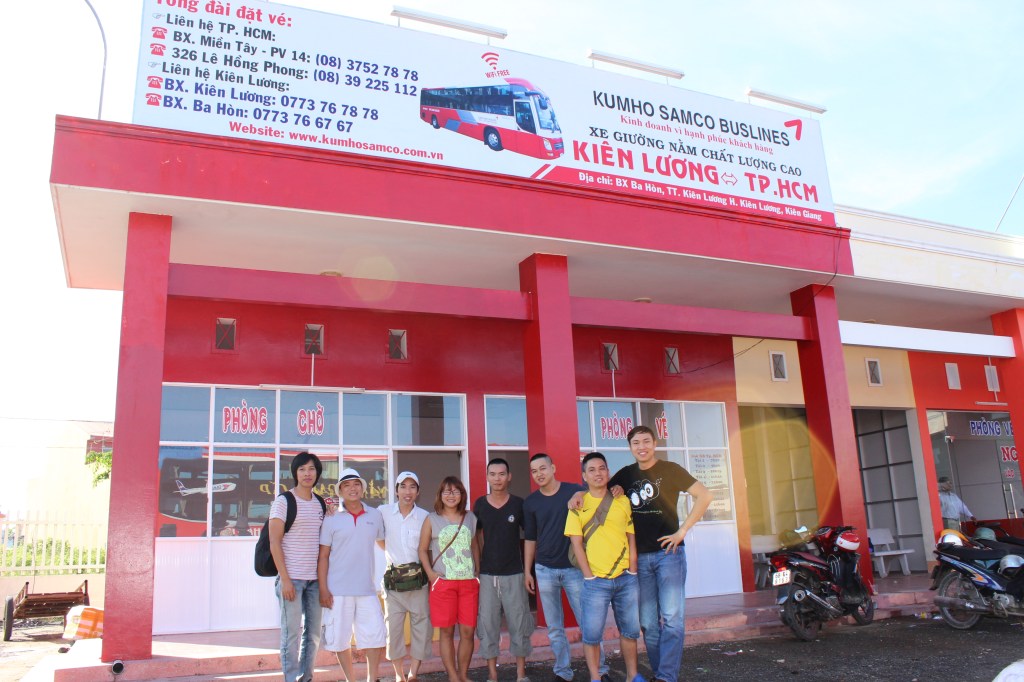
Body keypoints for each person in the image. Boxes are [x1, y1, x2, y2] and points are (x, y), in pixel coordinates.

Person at [609, 425, 712, 682]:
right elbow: (598, 491)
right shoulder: (625, 475)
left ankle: (666, 676)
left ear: (654, 444)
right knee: (648, 623)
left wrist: (682, 531)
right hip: (640, 558)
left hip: (669, 554)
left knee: (672, 618)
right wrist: (598, 492)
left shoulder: (671, 470)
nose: (641, 447)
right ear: (630, 447)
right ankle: (660, 674)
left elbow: (705, 496)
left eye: (646, 441)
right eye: (636, 443)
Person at [523, 453, 608, 682]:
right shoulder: (530, 502)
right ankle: (563, 671)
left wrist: (581, 493)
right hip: (544, 570)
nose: (539, 474)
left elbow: (597, 493)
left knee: (588, 623)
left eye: (543, 468)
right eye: (534, 471)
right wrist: (528, 571)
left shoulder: (574, 490)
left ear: (553, 468)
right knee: (554, 627)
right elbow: (530, 538)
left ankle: (601, 670)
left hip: (574, 569)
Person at [565, 452, 643, 682]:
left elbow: (630, 537)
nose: (598, 473)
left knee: (629, 631)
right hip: (595, 582)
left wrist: (633, 569)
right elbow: (576, 544)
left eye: (602, 468)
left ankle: (632, 676)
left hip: (626, 578)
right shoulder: (577, 504)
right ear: (584, 476)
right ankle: (595, 677)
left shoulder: (622, 500)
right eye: (592, 470)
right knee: (591, 635)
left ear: (608, 472)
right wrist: (589, 577)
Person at [318, 468, 386, 682]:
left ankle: (372, 679)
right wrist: (323, 589)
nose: (352, 488)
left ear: (363, 488)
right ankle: (350, 679)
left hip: (366, 588)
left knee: (375, 636)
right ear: (340, 491)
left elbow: (384, 544)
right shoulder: (331, 518)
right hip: (337, 590)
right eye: (346, 485)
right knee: (339, 639)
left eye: (356, 484)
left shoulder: (375, 515)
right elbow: (323, 556)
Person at [474, 458, 534, 682]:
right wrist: (478, 567)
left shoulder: (518, 504)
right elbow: (476, 537)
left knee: (519, 623)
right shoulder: (480, 504)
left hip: (514, 573)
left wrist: (527, 571)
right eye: (493, 474)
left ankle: (521, 674)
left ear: (509, 477)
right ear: (487, 477)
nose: (497, 478)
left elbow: (529, 536)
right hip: (487, 575)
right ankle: (492, 674)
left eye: (501, 474)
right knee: (488, 624)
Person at [269, 451, 327, 682]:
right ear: (295, 473)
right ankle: (290, 678)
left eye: (311, 469)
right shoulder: (284, 501)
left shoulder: (320, 503)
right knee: (291, 634)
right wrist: (285, 579)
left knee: (313, 635)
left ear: (317, 473)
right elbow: (274, 542)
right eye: (302, 469)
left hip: (314, 581)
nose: (307, 473)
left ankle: (306, 677)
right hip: (291, 579)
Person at [420, 476, 480, 682]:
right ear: (440, 495)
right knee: (446, 632)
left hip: (468, 583)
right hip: (443, 583)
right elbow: (422, 549)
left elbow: (474, 545)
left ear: (462, 495)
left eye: (456, 491)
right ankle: (453, 676)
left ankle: (463, 674)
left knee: (468, 631)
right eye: (447, 491)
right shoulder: (431, 519)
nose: (451, 495)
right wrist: (430, 574)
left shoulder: (470, 517)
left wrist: (477, 571)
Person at [378, 471, 433, 682]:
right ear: (396, 490)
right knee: (393, 630)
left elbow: (427, 548)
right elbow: (378, 538)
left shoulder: (425, 516)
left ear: (418, 492)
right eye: (403, 486)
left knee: (421, 627)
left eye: (412, 487)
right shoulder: (383, 512)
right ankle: (399, 675)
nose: (407, 492)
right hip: (393, 583)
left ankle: (413, 673)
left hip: (418, 582)